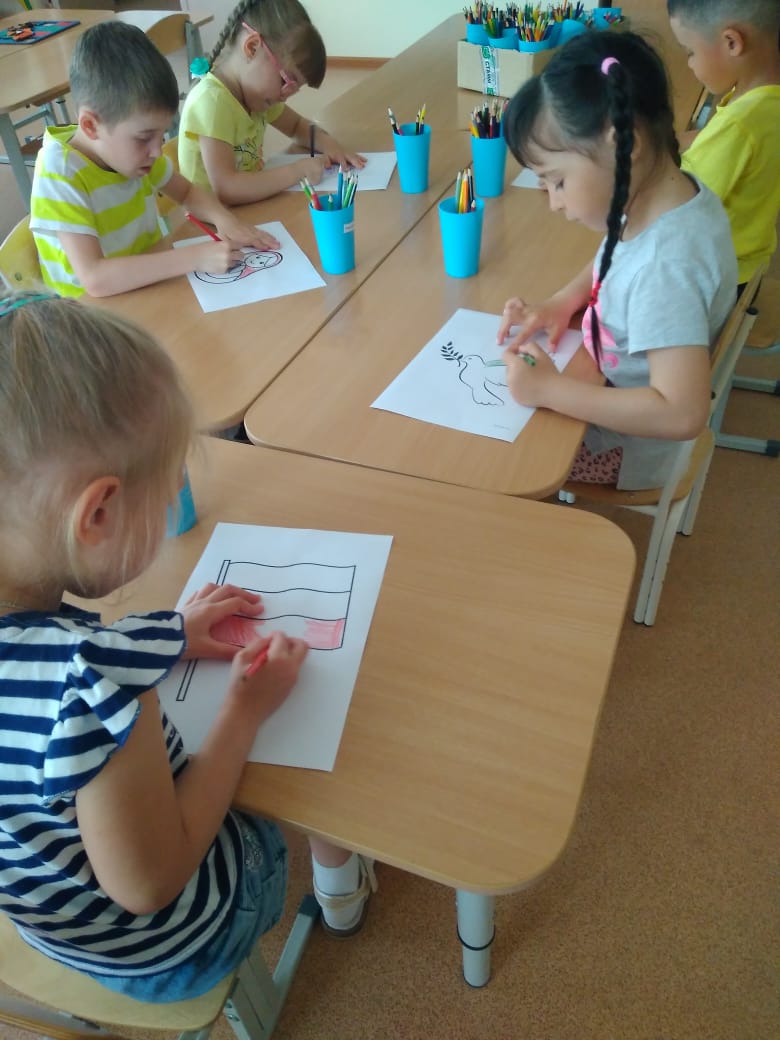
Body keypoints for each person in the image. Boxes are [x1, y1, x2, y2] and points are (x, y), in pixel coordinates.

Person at [0, 290, 374, 1003]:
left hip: (52, 916)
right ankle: (341, 894)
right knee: (301, 785)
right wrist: (243, 713)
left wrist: (167, 632)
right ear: (98, 513)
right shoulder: (93, 685)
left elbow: (38, 652)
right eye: (171, 487)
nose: (177, 494)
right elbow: (152, 881)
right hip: (173, 942)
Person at [496, 31, 738, 490]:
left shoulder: (666, 268)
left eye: (557, 182)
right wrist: (563, 301)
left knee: (497, 462)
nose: (553, 203)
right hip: (605, 386)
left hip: (624, 445)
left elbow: (681, 412)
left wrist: (550, 390)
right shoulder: (665, 199)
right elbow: (618, 252)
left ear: (624, 145)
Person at [30, 22, 280, 299]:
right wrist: (194, 257)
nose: (157, 151)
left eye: (161, 136)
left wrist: (225, 220)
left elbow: (187, 192)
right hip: (92, 313)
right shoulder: (60, 172)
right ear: (91, 126)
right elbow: (95, 279)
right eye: (144, 137)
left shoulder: (134, 154)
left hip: (146, 288)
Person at [178, 0, 365, 205]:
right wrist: (297, 171)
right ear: (252, 47)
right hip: (214, 219)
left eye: (295, 89)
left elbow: (297, 126)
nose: (285, 96)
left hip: (247, 207)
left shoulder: (256, 96)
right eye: (285, 82)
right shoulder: (212, 103)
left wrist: (330, 145)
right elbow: (227, 189)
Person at [667, 0, 780, 289]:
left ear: (732, 42)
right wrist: (669, 142)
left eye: (690, 52)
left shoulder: (739, 125)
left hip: (712, 280)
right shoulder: (764, 103)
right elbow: (717, 140)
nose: (689, 64)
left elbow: (671, 204)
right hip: (748, 266)